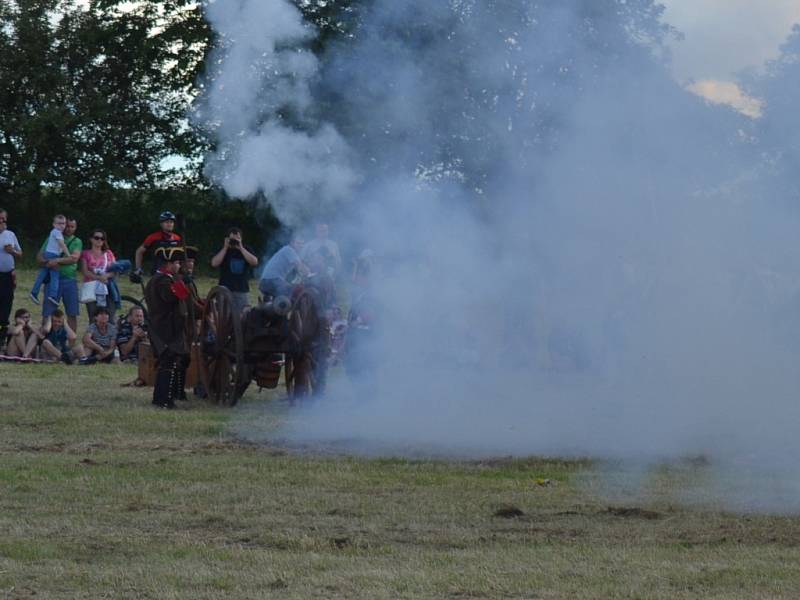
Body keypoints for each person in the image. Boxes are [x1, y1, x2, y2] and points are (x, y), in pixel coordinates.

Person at [145, 247, 191, 409]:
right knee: (168, 362)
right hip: (166, 327)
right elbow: (171, 297)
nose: (179, 266)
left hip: (165, 325)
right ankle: (164, 399)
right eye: (177, 263)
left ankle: (169, 396)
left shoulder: (159, 279)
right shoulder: (163, 281)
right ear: (169, 264)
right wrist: (181, 283)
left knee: (173, 361)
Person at [38, 217, 82, 334]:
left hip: (69, 280)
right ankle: (45, 342)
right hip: (53, 280)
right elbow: (39, 256)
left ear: (75, 228)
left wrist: (56, 261)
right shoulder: (52, 237)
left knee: (72, 313)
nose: (68, 229)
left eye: (72, 227)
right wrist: (47, 262)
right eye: (67, 226)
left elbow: (74, 259)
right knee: (47, 313)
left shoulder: (77, 241)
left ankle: (71, 344)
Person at [210, 227, 259, 313]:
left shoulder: (246, 249)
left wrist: (241, 248)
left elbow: (254, 262)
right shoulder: (222, 249)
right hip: (225, 289)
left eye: (237, 239)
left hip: (241, 289)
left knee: (244, 315)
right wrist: (225, 248)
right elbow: (214, 263)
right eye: (232, 239)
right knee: (225, 315)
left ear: (241, 239)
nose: (235, 241)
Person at [30, 214, 71, 306]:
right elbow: (62, 245)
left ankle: (34, 292)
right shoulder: (57, 232)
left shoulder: (54, 232)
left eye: (63, 223)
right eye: (59, 223)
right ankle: (53, 295)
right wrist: (69, 255)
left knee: (43, 274)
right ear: (54, 224)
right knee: (55, 275)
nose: (62, 225)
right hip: (52, 255)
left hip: (48, 253)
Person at [80, 228, 119, 321]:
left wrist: (106, 276)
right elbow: (85, 271)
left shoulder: (109, 253)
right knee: (93, 317)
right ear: (91, 239)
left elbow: (115, 269)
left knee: (110, 316)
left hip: (107, 287)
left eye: (102, 238)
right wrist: (98, 278)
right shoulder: (85, 254)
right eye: (97, 238)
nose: (99, 240)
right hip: (92, 288)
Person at [132, 210, 182, 279]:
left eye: (171, 222)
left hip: (174, 272)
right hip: (158, 272)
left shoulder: (177, 238)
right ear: (161, 224)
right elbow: (139, 251)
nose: (169, 224)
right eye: (167, 222)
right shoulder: (153, 237)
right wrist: (138, 269)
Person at [258, 234, 308, 299]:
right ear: (292, 243)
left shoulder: (292, 253)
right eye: (298, 243)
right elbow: (299, 265)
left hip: (265, 282)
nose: (300, 246)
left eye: (302, 244)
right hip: (271, 281)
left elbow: (299, 269)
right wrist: (309, 274)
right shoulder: (289, 249)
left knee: (288, 289)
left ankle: (267, 304)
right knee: (293, 292)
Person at [0, 208, 23, 344]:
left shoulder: (10, 235)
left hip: (8, 276)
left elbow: (20, 255)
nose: (3, 221)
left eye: (4, 219)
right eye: (0, 218)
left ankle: (2, 336)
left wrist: (12, 251)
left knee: (6, 306)